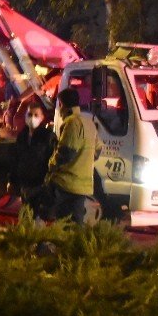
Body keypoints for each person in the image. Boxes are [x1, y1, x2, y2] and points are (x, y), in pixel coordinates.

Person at [42, 87, 100, 224]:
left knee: (63, 223)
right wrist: (83, 163)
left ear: (62, 105)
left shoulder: (71, 123)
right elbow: (97, 151)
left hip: (66, 184)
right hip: (83, 185)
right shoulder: (89, 123)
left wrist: (51, 165)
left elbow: (65, 153)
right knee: (76, 222)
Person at [8, 101, 56, 207]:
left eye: (36, 115)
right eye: (29, 114)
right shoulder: (22, 136)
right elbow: (16, 159)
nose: (32, 118)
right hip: (25, 186)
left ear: (42, 117)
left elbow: (53, 161)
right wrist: (12, 181)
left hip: (41, 187)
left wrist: (47, 184)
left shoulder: (48, 137)